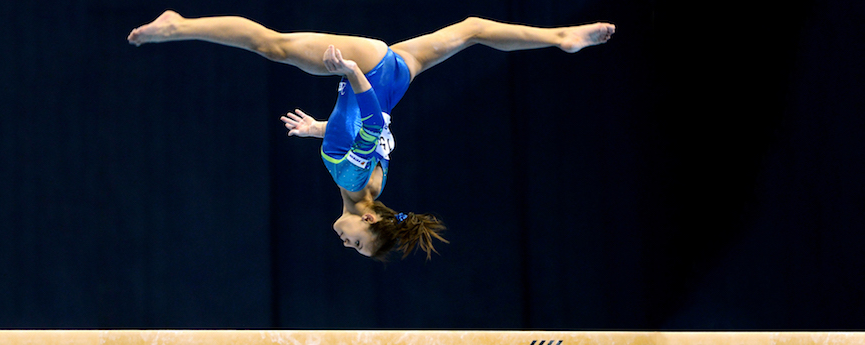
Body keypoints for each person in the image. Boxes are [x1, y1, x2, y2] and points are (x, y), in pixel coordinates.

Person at [127, 10, 615, 261]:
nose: (347, 245)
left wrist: (319, 128)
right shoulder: (355, 180)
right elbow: (375, 123)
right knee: (269, 45)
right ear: (370, 220)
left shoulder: (369, 183)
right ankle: (177, 26)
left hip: (395, 73)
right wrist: (354, 74)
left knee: (471, 29)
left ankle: (561, 37)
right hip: (375, 68)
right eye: (359, 245)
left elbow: (376, 136)